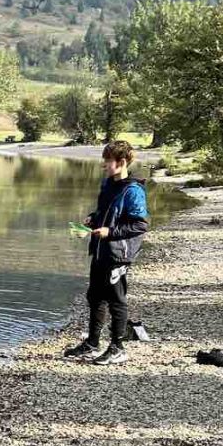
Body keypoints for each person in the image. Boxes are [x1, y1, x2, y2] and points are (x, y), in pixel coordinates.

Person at [64, 141, 149, 365]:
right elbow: (105, 212)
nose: (104, 165)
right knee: (95, 296)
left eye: (107, 161)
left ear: (121, 163)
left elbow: (140, 225)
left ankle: (118, 348)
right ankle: (92, 343)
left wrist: (110, 231)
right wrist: (94, 217)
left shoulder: (133, 191)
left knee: (116, 300)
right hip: (100, 251)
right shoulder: (108, 184)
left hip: (118, 254)